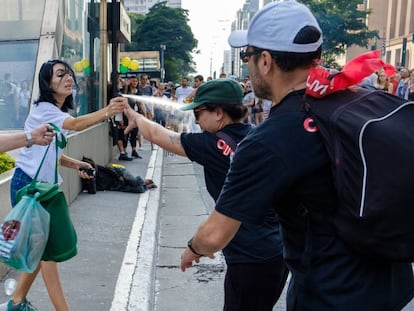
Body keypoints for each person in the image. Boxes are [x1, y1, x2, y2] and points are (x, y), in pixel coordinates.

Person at [180, 1, 414, 310]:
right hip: (391, 286)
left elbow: (215, 235)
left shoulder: (271, 138)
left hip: (330, 296)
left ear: (265, 61)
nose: (247, 65)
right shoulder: (358, 98)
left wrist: (193, 248)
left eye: (247, 55)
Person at [124, 78, 287, 311]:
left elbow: (159, 135)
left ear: (219, 113)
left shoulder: (213, 144)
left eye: (199, 113)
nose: (196, 120)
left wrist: (136, 116)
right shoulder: (255, 137)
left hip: (250, 257)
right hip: (276, 250)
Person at [4, 59, 125, 311]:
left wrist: (77, 165)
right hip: (30, 186)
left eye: (69, 73)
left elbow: (53, 154)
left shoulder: (56, 114)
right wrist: (107, 111)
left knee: (44, 251)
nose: (68, 78)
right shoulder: (45, 110)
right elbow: (77, 125)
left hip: (43, 188)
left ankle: (16, 302)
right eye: (60, 75)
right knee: (49, 252)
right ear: (47, 84)